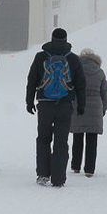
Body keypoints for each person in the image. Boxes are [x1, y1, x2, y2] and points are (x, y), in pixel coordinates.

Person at [26, 28, 86, 187]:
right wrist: (81, 104)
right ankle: (58, 178)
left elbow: (32, 79)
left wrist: (29, 101)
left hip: (45, 104)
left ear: (51, 39)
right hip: (65, 105)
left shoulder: (40, 57)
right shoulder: (73, 59)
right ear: (66, 40)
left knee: (43, 139)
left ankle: (43, 174)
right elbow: (81, 83)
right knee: (61, 141)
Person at [70, 48, 107, 177]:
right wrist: (103, 109)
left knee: (77, 138)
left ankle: (76, 166)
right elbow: (105, 94)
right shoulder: (100, 72)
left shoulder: (76, 70)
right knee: (92, 141)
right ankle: (89, 170)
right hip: (95, 109)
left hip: (78, 107)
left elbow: (71, 89)